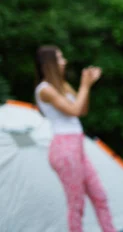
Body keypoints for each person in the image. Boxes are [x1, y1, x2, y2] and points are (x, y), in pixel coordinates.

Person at [34, 46, 116, 232]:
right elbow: (74, 110)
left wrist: (86, 86)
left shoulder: (62, 87)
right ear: (49, 64)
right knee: (76, 203)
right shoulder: (44, 90)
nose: (64, 61)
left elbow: (82, 110)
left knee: (99, 196)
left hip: (77, 147)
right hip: (64, 149)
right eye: (60, 58)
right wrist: (85, 85)